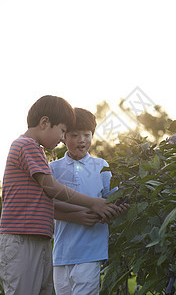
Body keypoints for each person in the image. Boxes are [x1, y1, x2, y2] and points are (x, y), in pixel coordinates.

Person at [0, 96, 119, 295]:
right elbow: (52, 189)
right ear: (45, 123)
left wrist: (80, 213)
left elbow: (45, 201)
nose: (61, 138)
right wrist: (94, 203)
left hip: (37, 237)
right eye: (63, 131)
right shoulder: (26, 146)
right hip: (22, 237)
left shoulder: (35, 150)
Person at [50, 108, 128, 295]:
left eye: (87, 134)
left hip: (90, 250)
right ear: (63, 137)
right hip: (61, 253)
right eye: (75, 135)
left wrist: (115, 208)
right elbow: (45, 204)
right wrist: (76, 215)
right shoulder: (53, 168)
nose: (82, 140)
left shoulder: (101, 166)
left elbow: (114, 199)